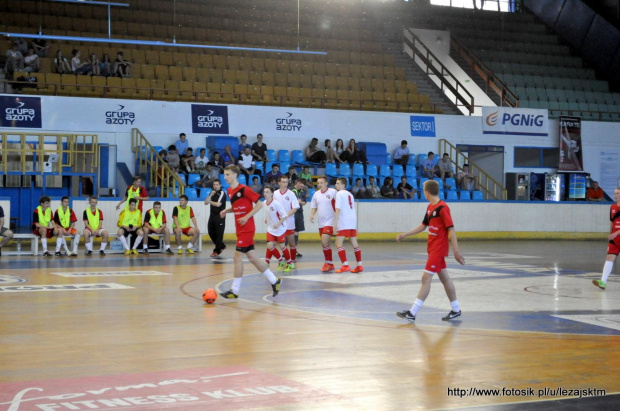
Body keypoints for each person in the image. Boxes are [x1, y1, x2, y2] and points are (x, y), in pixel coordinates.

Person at [395, 180, 466, 323]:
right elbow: (423, 226)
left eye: (423, 190)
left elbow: (451, 229)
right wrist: (405, 234)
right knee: (445, 278)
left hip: (438, 249)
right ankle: (456, 309)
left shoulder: (443, 208)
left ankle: (412, 312)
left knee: (425, 279)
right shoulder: (429, 207)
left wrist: (456, 252)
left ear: (427, 192)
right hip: (432, 248)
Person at [218, 165, 281, 299]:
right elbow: (237, 207)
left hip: (247, 228)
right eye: (224, 174)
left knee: (237, 257)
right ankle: (274, 281)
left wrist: (247, 217)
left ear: (235, 175)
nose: (225, 177)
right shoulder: (229, 191)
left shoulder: (245, 189)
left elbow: (259, 204)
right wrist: (227, 211)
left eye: (227, 174)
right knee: (253, 258)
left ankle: (234, 290)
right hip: (240, 229)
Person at [333, 178, 364, 273]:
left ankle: (345, 265)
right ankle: (359, 265)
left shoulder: (339, 194)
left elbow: (337, 210)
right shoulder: (350, 194)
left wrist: (334, 225)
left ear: (343, 185)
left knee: (338, 243)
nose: (336, 185)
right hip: (352, 221)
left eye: (338, 183)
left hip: (344, 221)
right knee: (354, 243)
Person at [593, 187, 620, 290]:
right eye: (615, 193)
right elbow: (612, 222)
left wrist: (616, 233)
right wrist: (610, 235)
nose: (615, 195)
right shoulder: (612, 207)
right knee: (609, 258)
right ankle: (603, 282)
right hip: (614, 238)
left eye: (618, 193)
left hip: (617, 235)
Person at [310, 176, 337, 272]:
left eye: (321, 182)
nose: (319, 184)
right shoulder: (316, 194)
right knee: (325, 244)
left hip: (330, 221)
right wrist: (312, 214)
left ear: (326, 183)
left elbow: (339, 204)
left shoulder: (333, 192)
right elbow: (314, 206)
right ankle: (329, 263)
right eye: (318, 183)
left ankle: (328, 263)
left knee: (324, 241)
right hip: (321, 222)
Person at [274, 175, 300, 271]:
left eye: (286, 182)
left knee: (291, 243)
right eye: (283, 182)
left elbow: (295, 208)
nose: (285, 184)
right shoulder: (275, 194)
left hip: (289, 223)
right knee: (277, 243)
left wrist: (285, 216)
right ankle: (283, 260)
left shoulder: (291, 194)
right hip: (279, 223)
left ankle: (292, 261)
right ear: (279, 183)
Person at [263, 185, 291, 271]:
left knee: (282, 246)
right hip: (271, 228)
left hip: (280, 228)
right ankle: (280, 260)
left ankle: (289, 263)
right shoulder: (264, 203)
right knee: (269, 245)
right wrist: (266, 219)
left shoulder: (276, 203)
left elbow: (284, 215)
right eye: (264, 192)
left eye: (267, 192)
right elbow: (269, 213)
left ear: (272, 193)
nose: (265, 194)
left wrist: (278, 224)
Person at [206, 180, 226, 257]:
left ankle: (217, 250)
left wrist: (210, 201)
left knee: (219, 234)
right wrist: (210, 196)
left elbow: (218, 204)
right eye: (214, 184)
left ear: (220, 185)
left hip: (220, 217)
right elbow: (205, 202)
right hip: (212, 216)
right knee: (210, 232)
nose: (215, 186)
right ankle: (221, 245)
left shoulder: (222, 193)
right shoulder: (212, 193)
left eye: (217, 184)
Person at [292, 178, 307, 258]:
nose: (303, 186)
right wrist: (296, 202)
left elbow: (304, 201)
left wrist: (302, 202)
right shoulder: (291, 191)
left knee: (297, 232)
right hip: (292, 213)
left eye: (303, 185)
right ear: (297, 182)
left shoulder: (302, 192)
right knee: (289, 232)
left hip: (299, 213)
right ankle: (286, 250)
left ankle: (295, 250)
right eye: (301, 184)